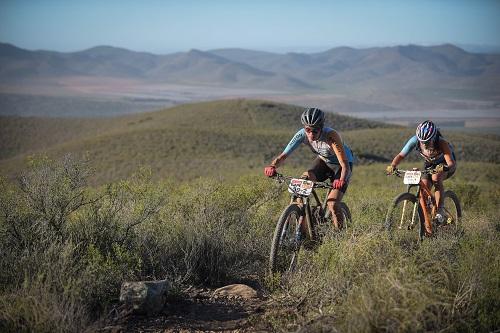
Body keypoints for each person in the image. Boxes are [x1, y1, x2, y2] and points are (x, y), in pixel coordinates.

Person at [264, 107, 354, 230]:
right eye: (308, 130)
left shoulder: (331, 136)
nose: (311, 134)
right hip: (323, 161)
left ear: (321, 128)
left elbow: (344, 165)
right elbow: (283, 156)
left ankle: (341, 236)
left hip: (342, 165)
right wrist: (272, 166)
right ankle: (304, 229)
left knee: (332, 203)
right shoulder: (302, 134)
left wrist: (341, 179)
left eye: (315, 131)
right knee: (302, 183)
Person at [386, 120, 456, 236]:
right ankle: (428, 221)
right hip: (429, 164)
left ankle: (440, 210)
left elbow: (450, 162)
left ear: (433, 138)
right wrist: (392, 166)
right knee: (423, 190)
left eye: (427, 141)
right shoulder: (415, 140)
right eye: (422, 141)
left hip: (445, 164)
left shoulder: (442, 143)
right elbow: (401, 155)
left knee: (436, 178)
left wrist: (444, 168)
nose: (424, 144)